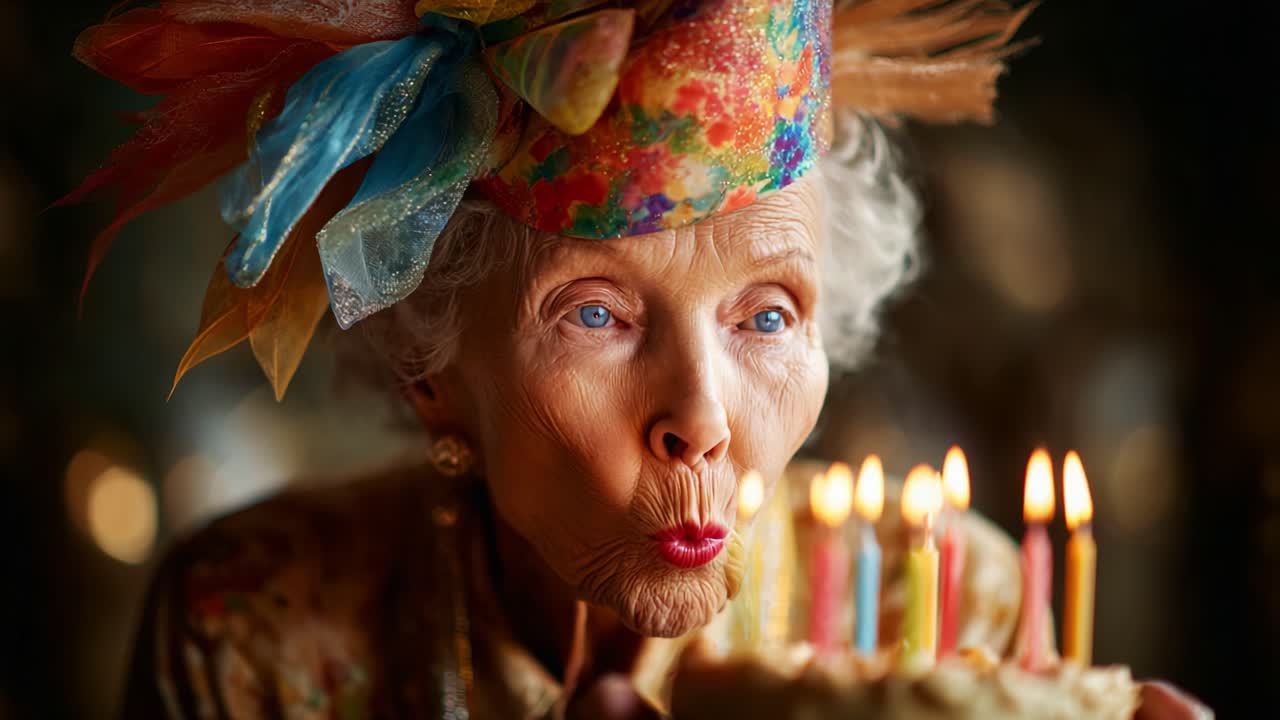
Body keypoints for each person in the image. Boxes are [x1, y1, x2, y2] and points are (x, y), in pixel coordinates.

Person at [65, 1, 1208, 718]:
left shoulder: (949, 614)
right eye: (596, 316)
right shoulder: (249, 629)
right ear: (428, 364)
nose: (700, 420)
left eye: (767, 317)